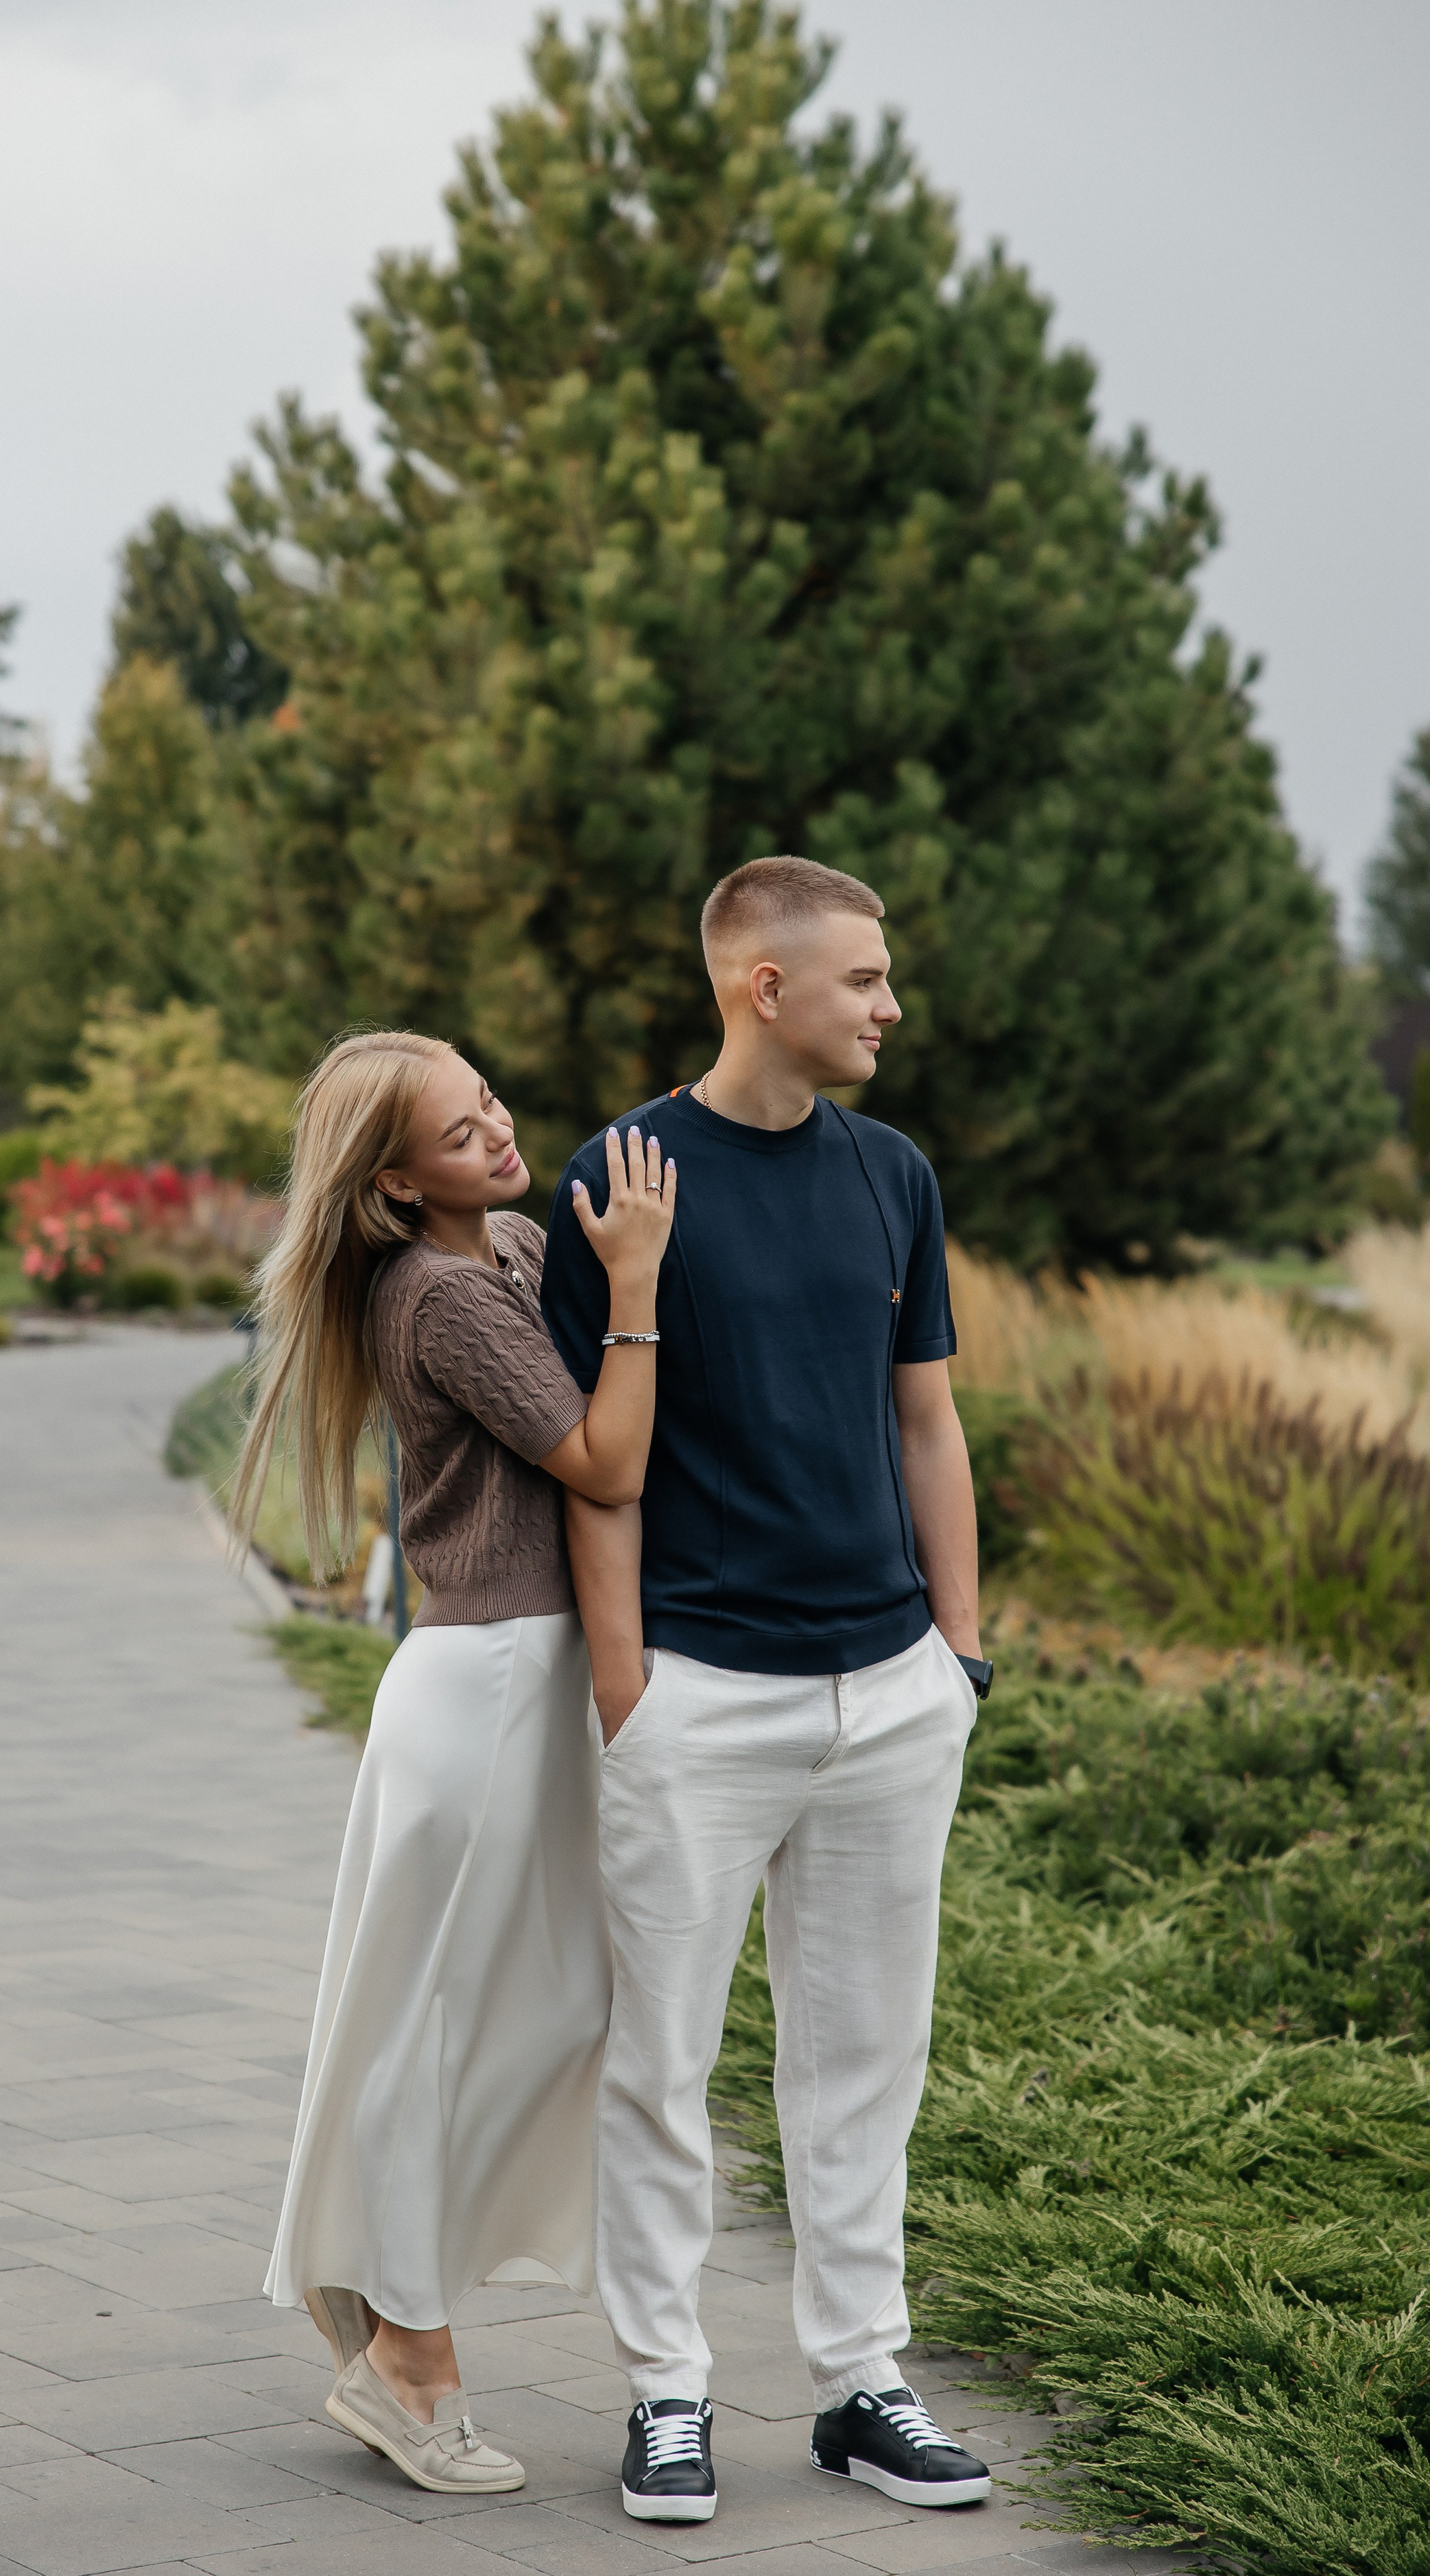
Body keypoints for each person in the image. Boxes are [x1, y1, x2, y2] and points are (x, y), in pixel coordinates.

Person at [539, 855, 994, 2527]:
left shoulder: (891, 1173)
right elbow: (596, 1465)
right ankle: (667, 2393)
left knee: (867, 2053)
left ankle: (861, 2381)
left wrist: (953, 1650)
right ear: (764, 988)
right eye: (864, 978)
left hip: (886, 1690)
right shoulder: (623, 1174)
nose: (887, 1005)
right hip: (697, 1695)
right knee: (659, 2061)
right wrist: (623, 1687)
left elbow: (924, 1420)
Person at [241, 1029, 676, 2498]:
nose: (495, 1130)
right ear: (389, 1178)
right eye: (455, 1128)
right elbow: (603, 1461)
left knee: (536, 2014)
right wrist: (634, 1290)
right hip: (487, 1682)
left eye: (487, 1097)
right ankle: (408, 2362)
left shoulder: (507, 1245)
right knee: (434, 2027)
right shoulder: (434, 1294)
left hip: (520, 1678)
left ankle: (370, 2278)